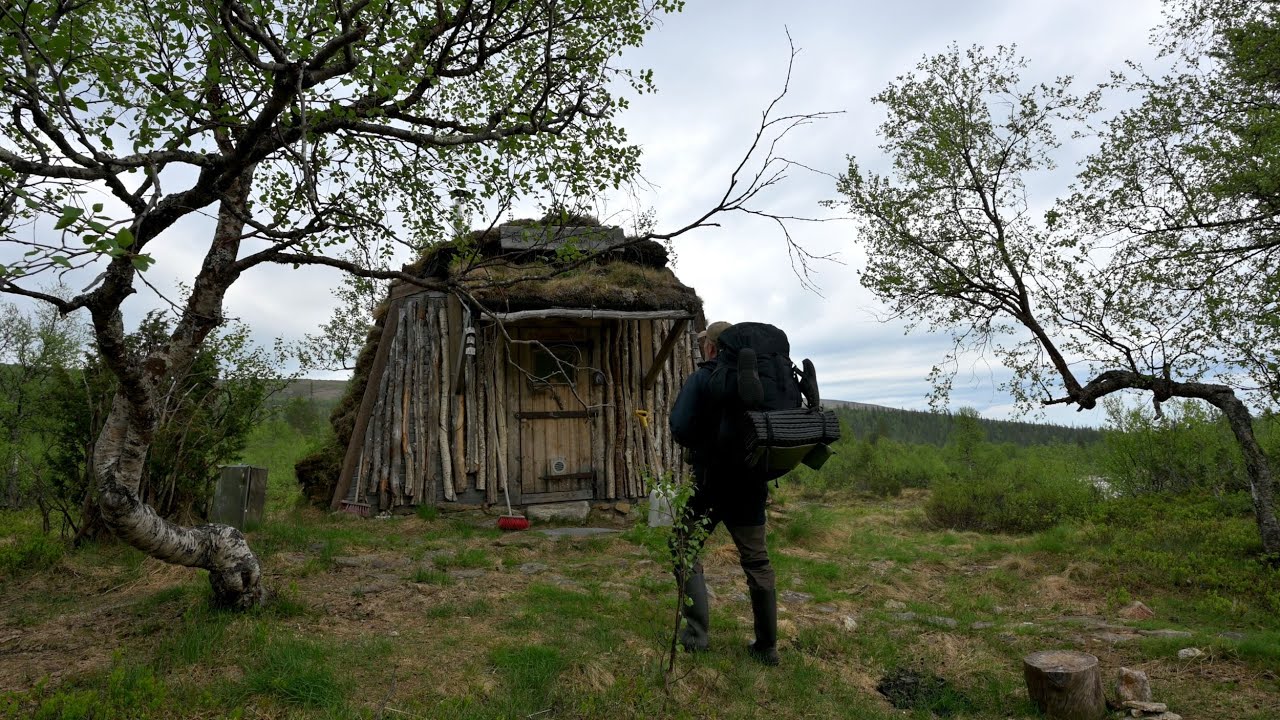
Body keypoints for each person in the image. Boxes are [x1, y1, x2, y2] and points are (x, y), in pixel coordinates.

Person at [668, 320, 779, 665]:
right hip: (751, 485)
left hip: (711, 483)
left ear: (714, 347)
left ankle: (696, 635)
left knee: (683, 546)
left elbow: (680, 427)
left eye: (705, 344)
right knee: (757, 560)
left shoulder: (704, 377)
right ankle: (767, 648)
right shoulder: (763, 382)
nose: (703, 348)